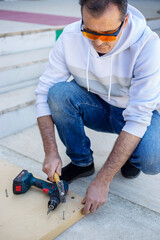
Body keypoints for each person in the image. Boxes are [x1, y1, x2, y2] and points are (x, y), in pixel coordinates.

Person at [35, 0, 160, 215]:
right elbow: (43, 92)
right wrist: (51, 152)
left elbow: (139, 117)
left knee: (152, 159)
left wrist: (103, 181)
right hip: (97, 104)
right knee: (57, 94)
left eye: (109, 33)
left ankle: (132, 158)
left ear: (126, 19)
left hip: (137, 113)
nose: (99, 42)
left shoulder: (148, 44)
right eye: (90, 32)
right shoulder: (69, 36)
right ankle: (82, 162)